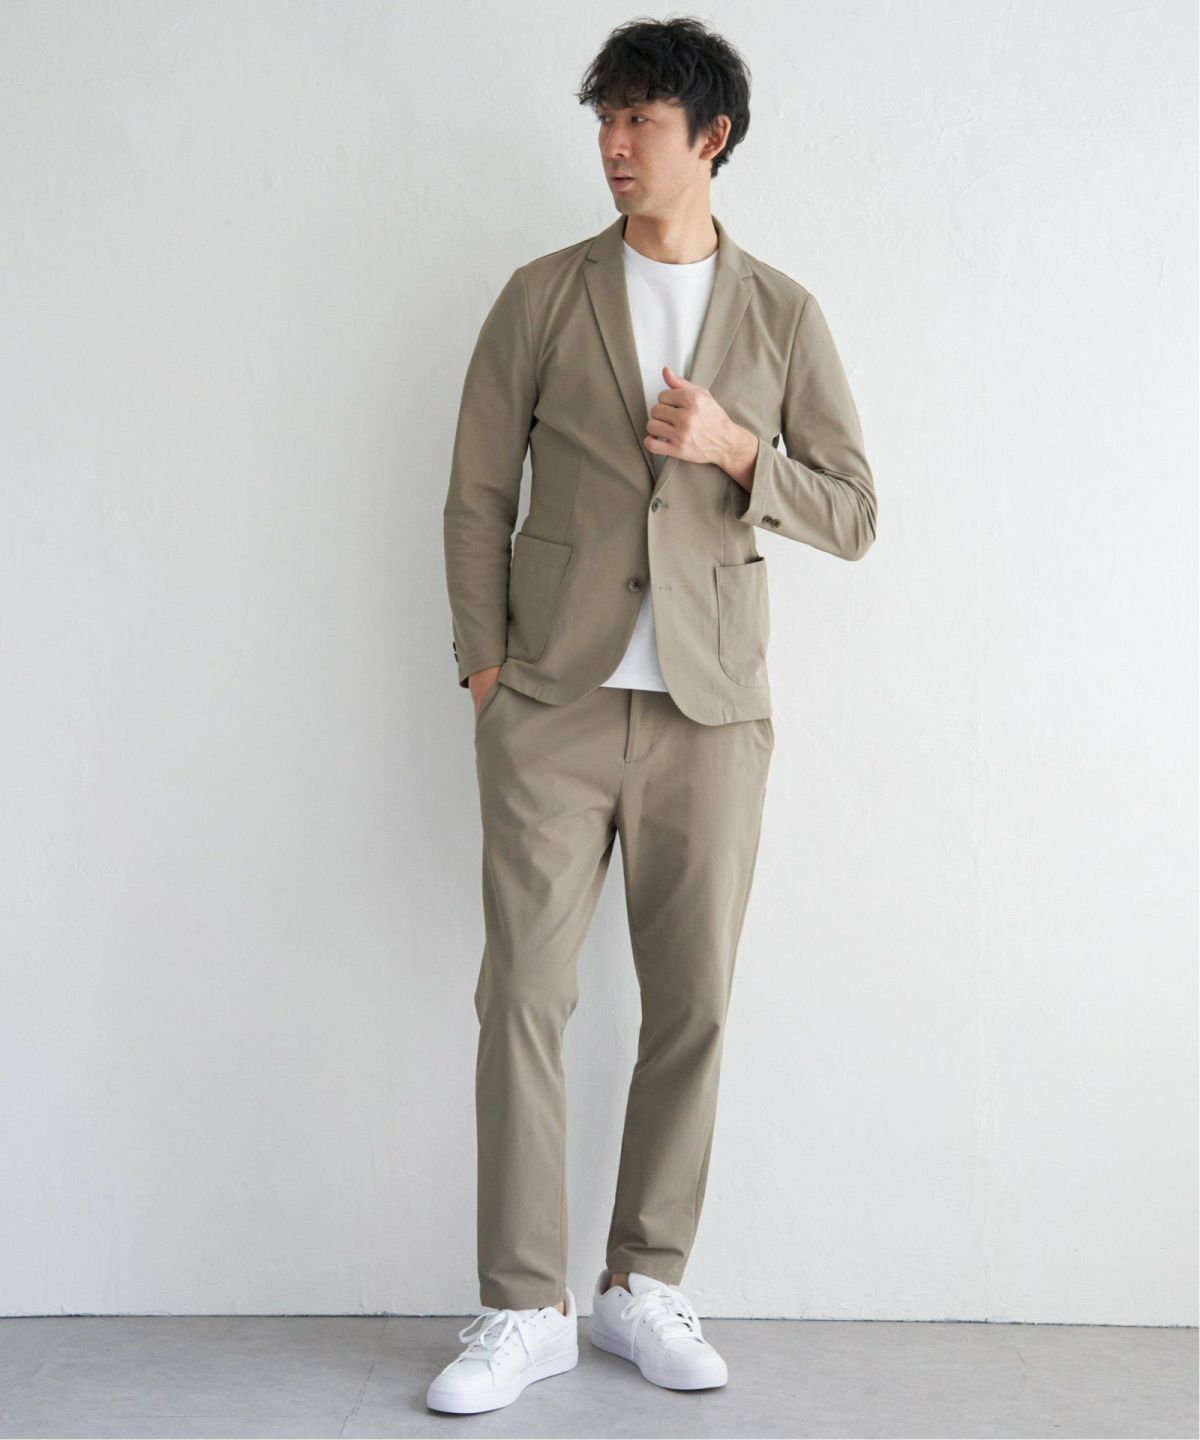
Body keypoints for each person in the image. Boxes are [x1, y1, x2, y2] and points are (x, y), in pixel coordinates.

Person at [428, 15, 877, 1416]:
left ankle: (643, 1283)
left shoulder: (782, 314)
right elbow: (475, 496)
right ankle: (524, 1305)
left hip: (711, 716)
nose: (615, 147)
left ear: (711, 138)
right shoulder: (542, 296)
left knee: (694, 1004)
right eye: (605, 121)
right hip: (551, 707)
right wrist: (488, 675)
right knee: (523, 995)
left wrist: (739, 449)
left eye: (641, 121)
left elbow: (856, 513)